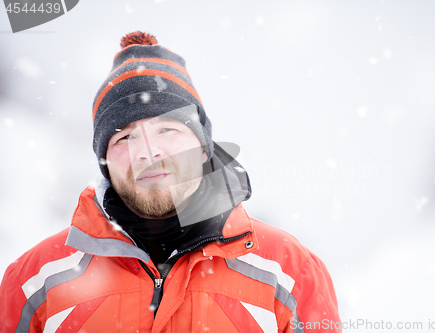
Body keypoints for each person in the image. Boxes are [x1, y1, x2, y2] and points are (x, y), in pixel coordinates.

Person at [0, 31, 342, 332]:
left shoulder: (290, 271)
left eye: (167, 129)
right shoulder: (33, 282)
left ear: (203, 147)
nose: (149, 152)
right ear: (105, 162)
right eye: (125, 138)